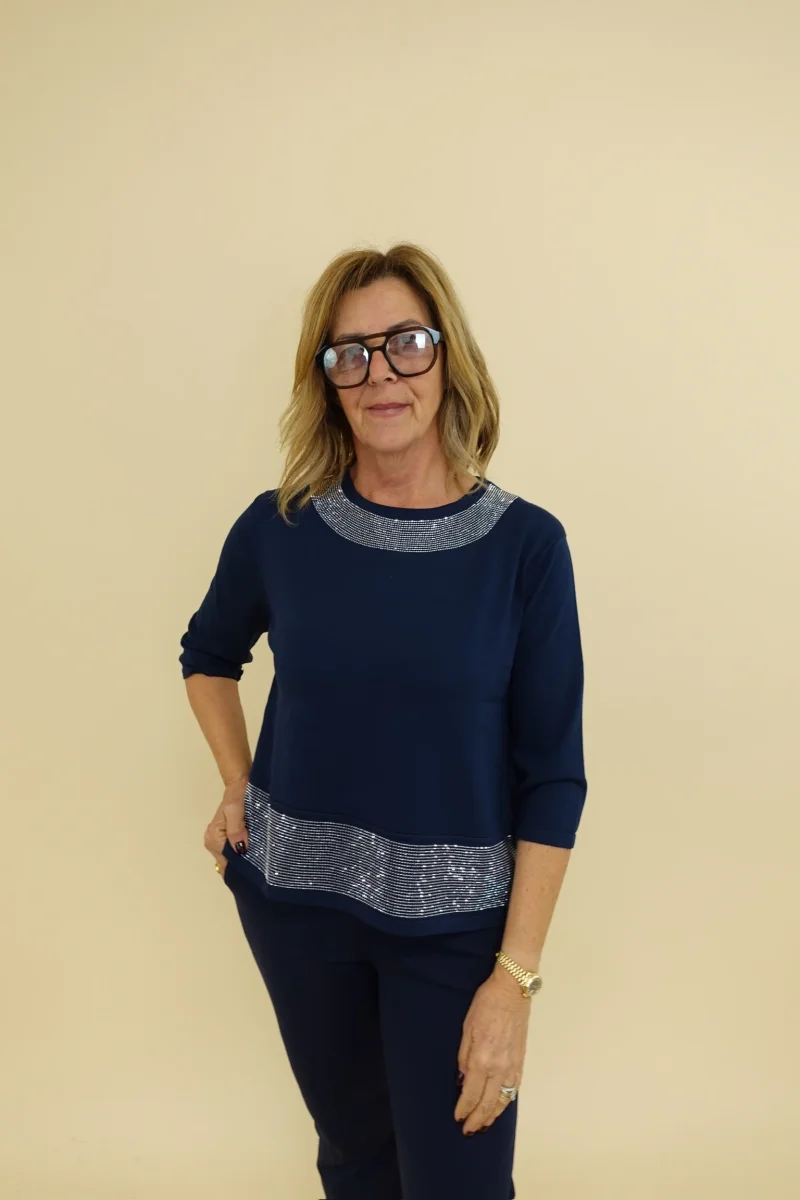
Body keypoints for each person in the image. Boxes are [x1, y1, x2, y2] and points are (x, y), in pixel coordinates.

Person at [178, 241, 588, 1200]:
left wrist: (514, 979)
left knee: (458, 1182)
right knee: (357, 1167)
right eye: (350, 354)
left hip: (457, 932)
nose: (380, 374)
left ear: (448, 355)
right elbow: (207, 654)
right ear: (326, 380)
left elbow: (554, 775)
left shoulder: (526, 548)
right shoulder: (281, 527)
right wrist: (237, 782)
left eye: (406, 342)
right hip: (298, 915)